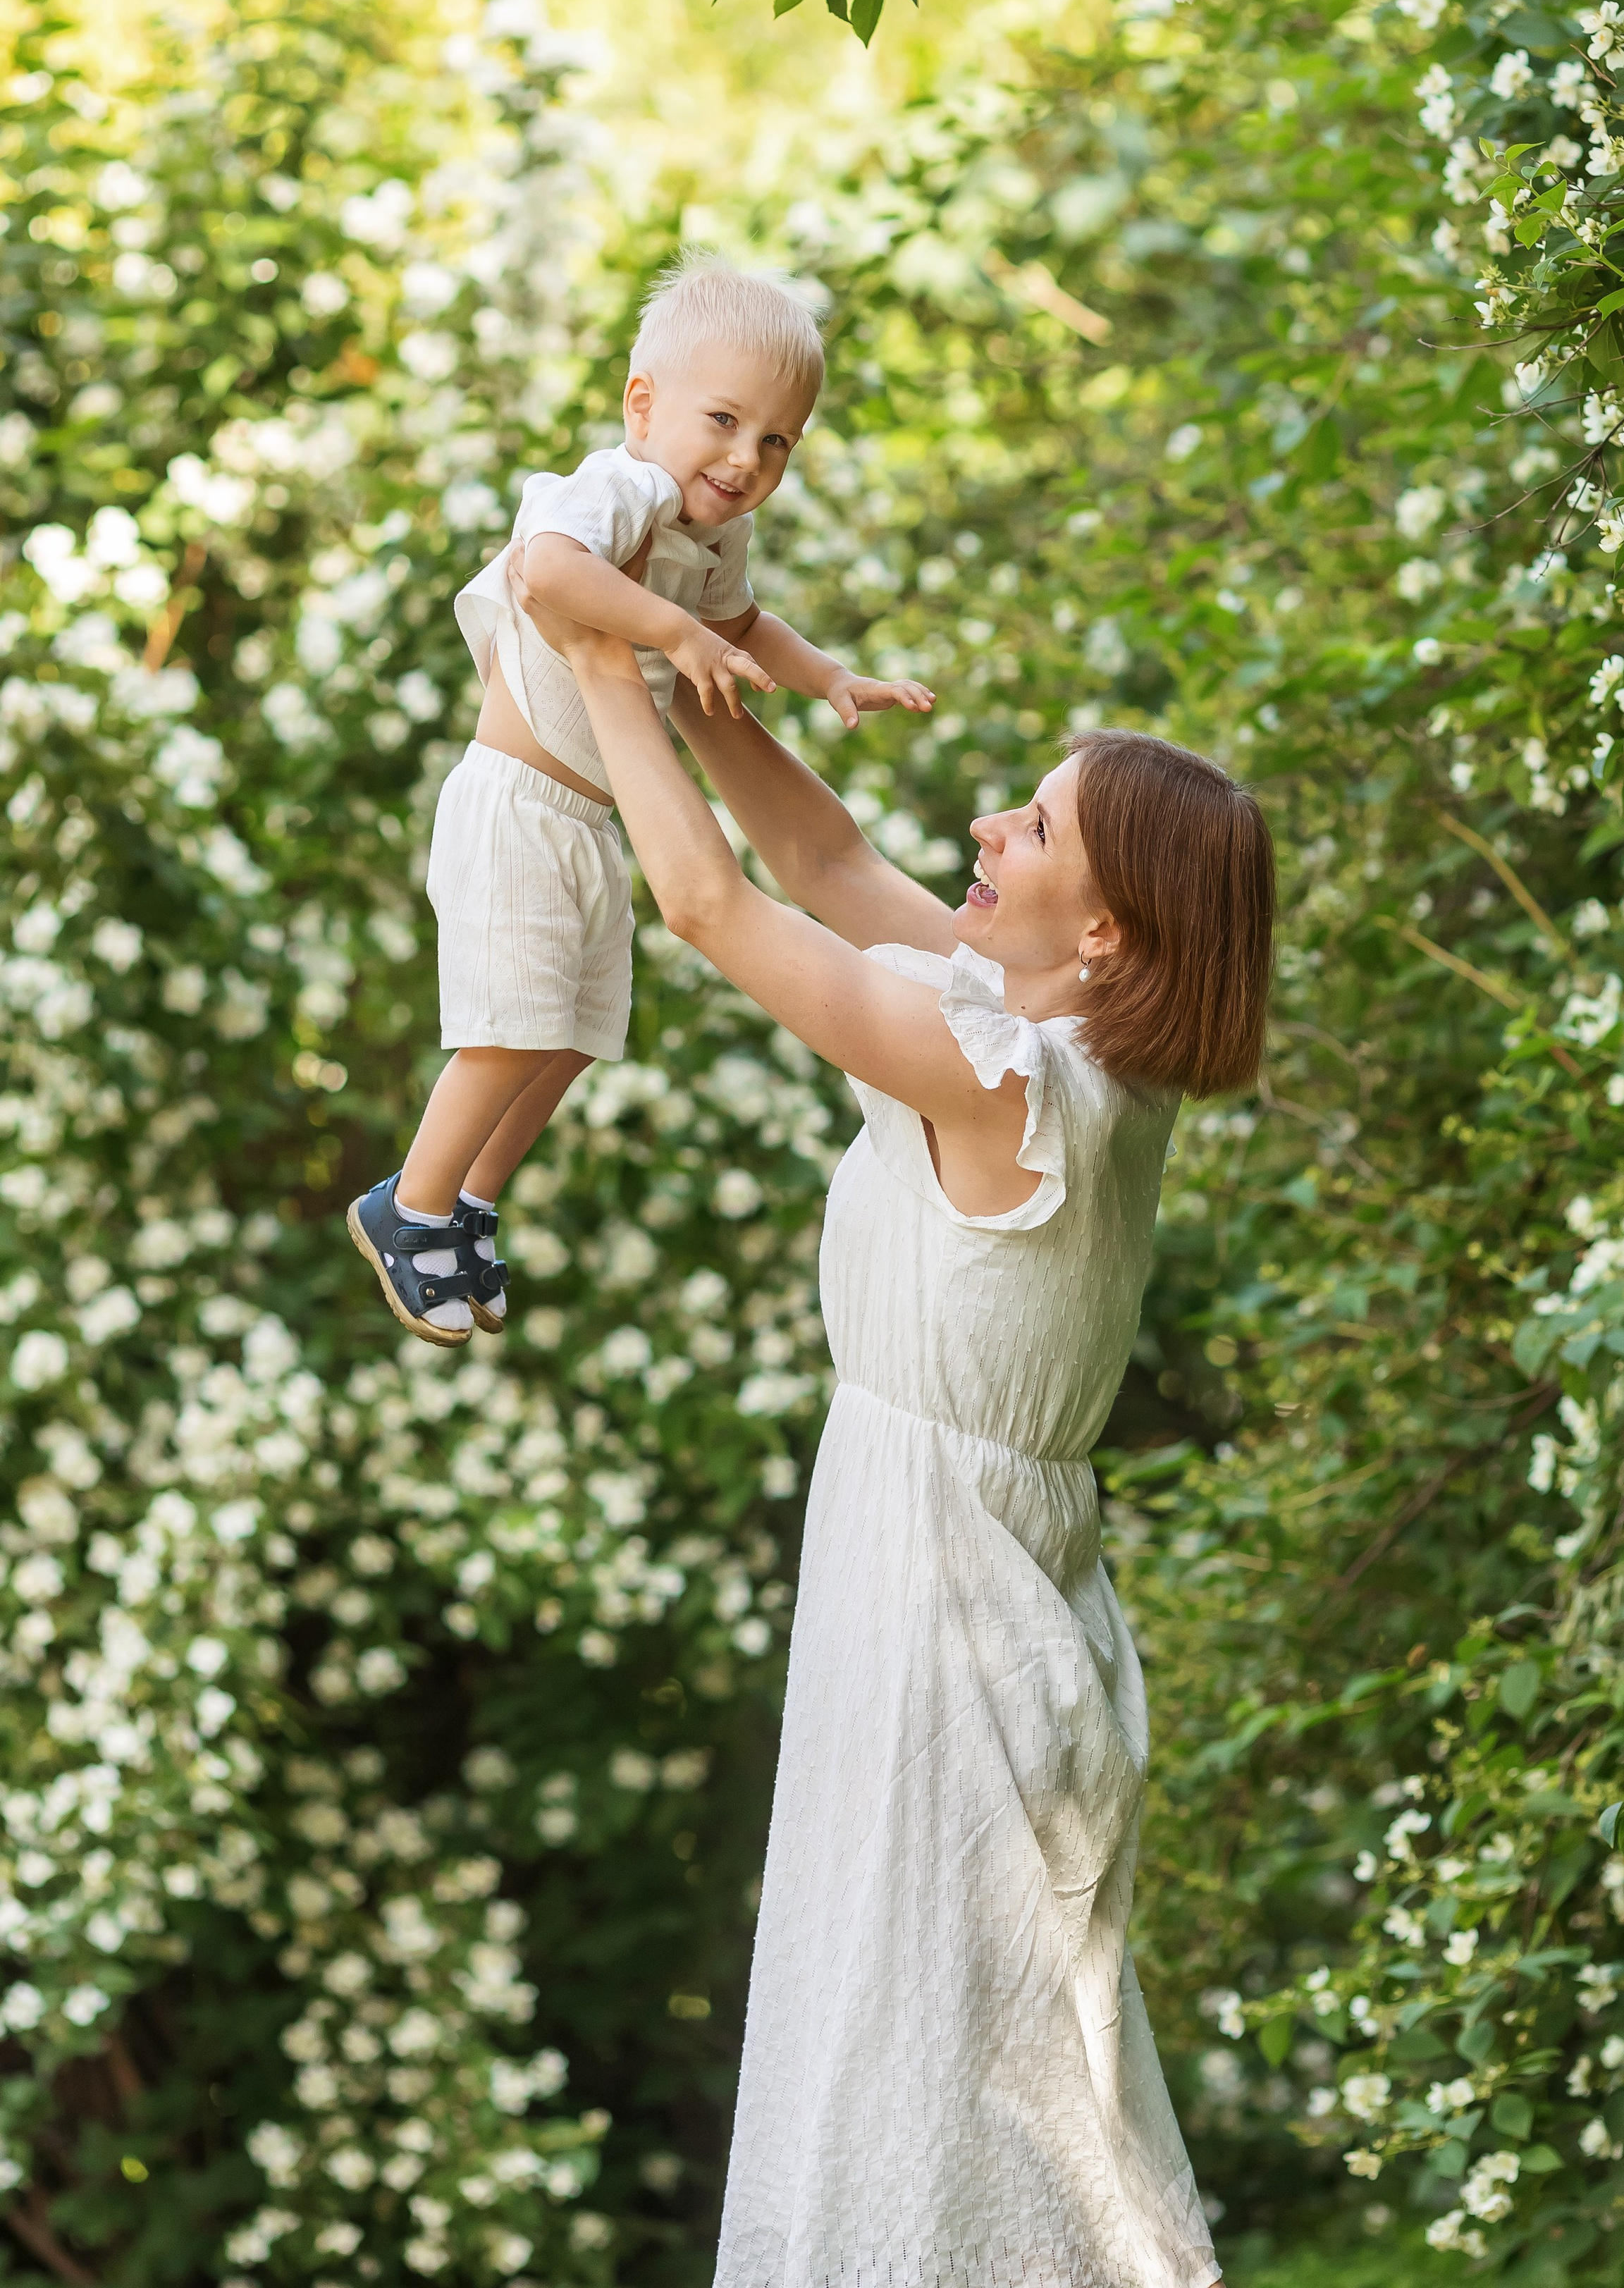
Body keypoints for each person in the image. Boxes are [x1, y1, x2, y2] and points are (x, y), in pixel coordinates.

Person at [525, 589, 1274, 2288]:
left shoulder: (1008, 1080)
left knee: (913, 2069)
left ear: (1103, 936)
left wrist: (589, 658)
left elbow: (712, 902)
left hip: (950, 1613)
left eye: (1035, 826)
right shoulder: (1052, 1045)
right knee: (934, 2070)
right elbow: (827, 861)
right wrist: (694, 667)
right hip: (963, 1582)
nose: (983, 828)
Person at [345, 256, 931, 1346]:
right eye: (722, 420)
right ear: (643, 404)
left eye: (776, 443)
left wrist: (830, 678)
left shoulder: (713, 539)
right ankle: (408, 1206)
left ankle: (470, 1200)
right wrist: (671, 632)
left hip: (590, 821)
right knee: (512, 1030)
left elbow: (749, 625)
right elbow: (549, 573)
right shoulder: (620, 488)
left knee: (572, 1034)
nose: (744, 459)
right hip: (517, 804)